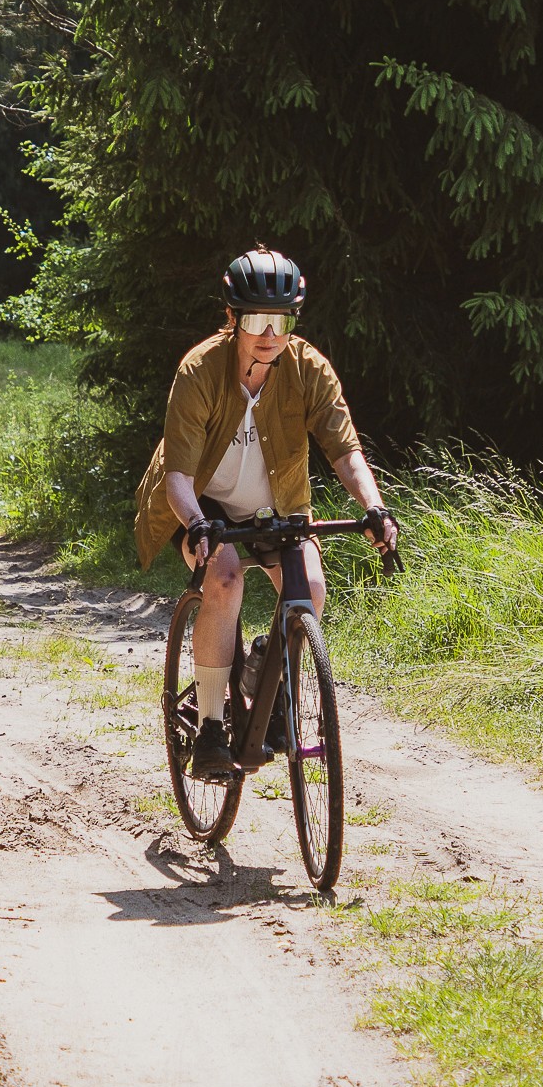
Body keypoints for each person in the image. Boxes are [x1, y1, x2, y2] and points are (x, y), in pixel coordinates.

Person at [132, 248, 398, 777]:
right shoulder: (201, 369)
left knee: (311, 588)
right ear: (232, 318)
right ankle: (210, 726)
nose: (269, 334)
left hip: (277, 508)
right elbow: (178, 478)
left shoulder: (307, 368)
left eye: (282, 321)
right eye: (256, 320)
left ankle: (273, 691)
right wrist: (198, 524)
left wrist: (374, 507)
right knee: (225, 579)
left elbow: (344, 451)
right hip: (202, 504)